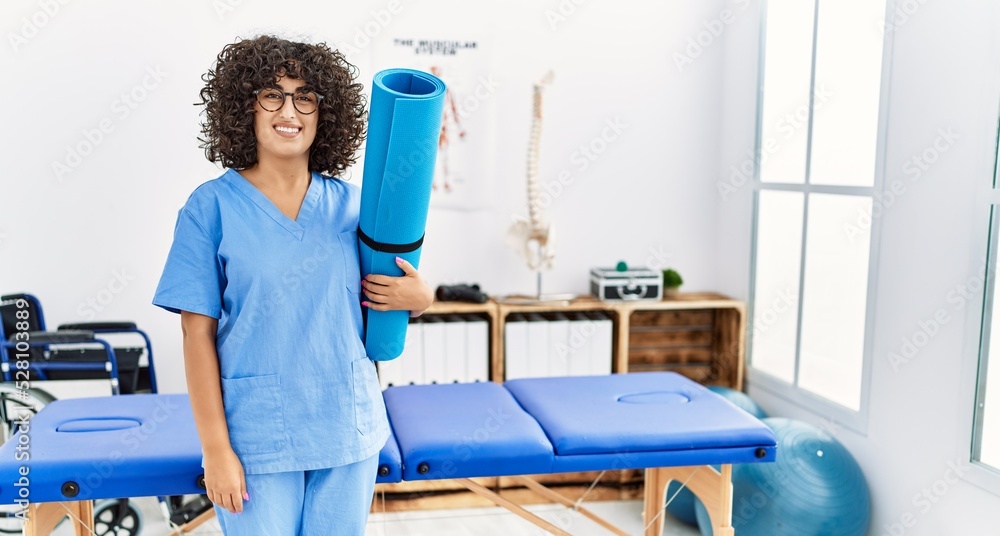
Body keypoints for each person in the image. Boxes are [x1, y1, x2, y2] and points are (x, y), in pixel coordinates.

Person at [152, 35, 433, 535]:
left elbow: (393, 294)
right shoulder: (210, 208)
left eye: (305, 95)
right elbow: (196, 337)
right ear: (246, 107)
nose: (290, 109)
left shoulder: (355, 207)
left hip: (347, 426)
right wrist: (216, 449)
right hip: (256, 435)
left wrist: (422, 299)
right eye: (272, 94)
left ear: (325, 112)